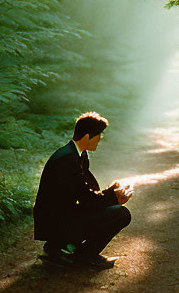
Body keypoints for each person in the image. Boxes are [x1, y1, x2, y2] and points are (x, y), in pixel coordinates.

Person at [33, 111, 133, 269]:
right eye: (99, 135)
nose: (100, 139)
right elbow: (88, 200)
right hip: (57, 223)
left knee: (112, 208)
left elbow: (87, 192)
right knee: (121, 214)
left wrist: (111, 191)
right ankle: (82, 256)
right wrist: (114, 197)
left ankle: (73, 252)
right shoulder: (67, 159)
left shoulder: (77, 154)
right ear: (87, 136)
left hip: (64, 216)